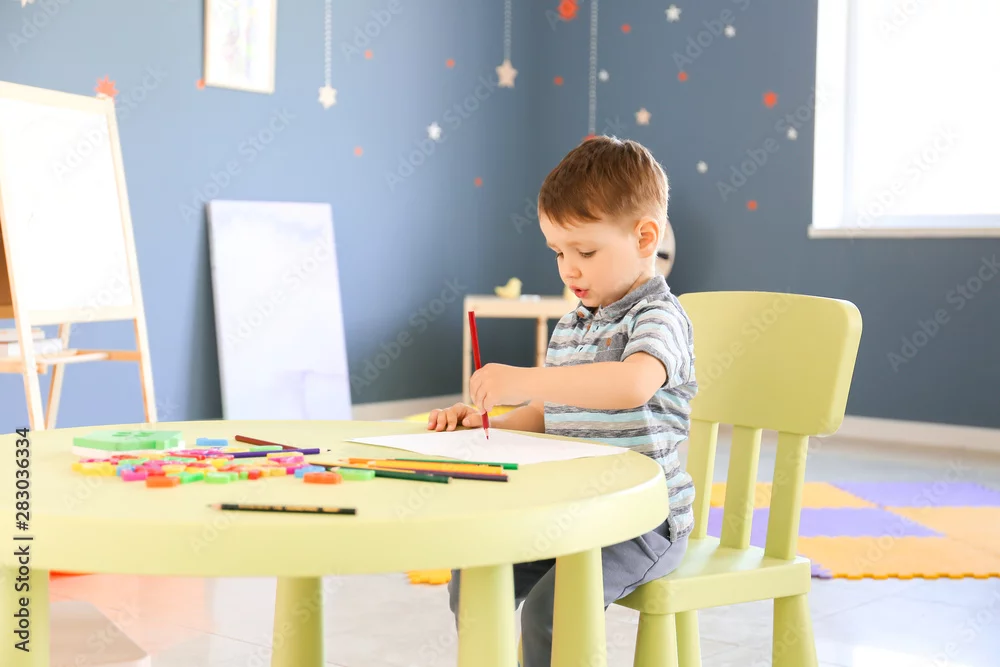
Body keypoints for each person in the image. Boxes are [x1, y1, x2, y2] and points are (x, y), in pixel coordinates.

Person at [428, 136, 697, 666]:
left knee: (550, 611)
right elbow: (549, 414)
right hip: (571, 513)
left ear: (645, 237)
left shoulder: (659, 316)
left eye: (585, 252)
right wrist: (486, 422)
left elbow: (631, 385)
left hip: (642, 523)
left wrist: (527, 378)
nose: (568, 270)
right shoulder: (573, 324)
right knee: (476, 570)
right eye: (558, 252)